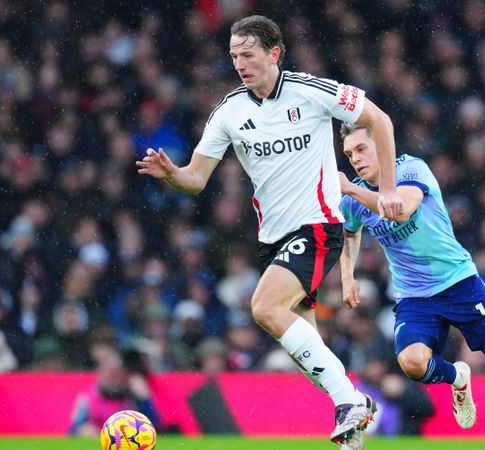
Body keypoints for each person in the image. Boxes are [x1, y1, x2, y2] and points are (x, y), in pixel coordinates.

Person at [136, 15, 404, 448]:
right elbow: (195, 180)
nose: (240, 63)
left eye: (248, 54)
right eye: (233, 56)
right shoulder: (229, 111)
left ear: (274, 53)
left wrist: (388, 190)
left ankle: (350, 402)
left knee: (263, 307)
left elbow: (381, 121)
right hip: (273, 239)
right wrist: (170, 173)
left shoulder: (311, 91)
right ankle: (355, 416)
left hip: (318, 226)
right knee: (306, 350)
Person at [337, 122, 485, 450]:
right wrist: (347, 275)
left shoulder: (410, 168)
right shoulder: (354, 201)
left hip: (460, 283)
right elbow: (351, 232)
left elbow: (401, 210)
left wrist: (349, 189)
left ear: (381, 144)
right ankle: (456, 377)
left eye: (361, 149)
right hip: (415, 296)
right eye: (349, 154)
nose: (355, 159)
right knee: (412, 363)